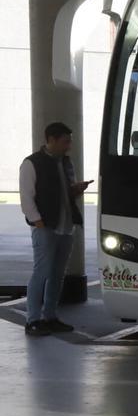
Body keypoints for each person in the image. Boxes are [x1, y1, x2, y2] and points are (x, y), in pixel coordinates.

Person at [19, 122, 88, 336]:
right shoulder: (32, 163)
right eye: (65, 141)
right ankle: (33, 320)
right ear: (51, 139)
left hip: (66, 227)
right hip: (46, 227)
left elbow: (66, 192)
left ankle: (50, 316)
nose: (69, 146)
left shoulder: (66, 163)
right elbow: (26, 196)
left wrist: (76, 189)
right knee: (42, 273)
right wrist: (38, 222)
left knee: (57, 274)